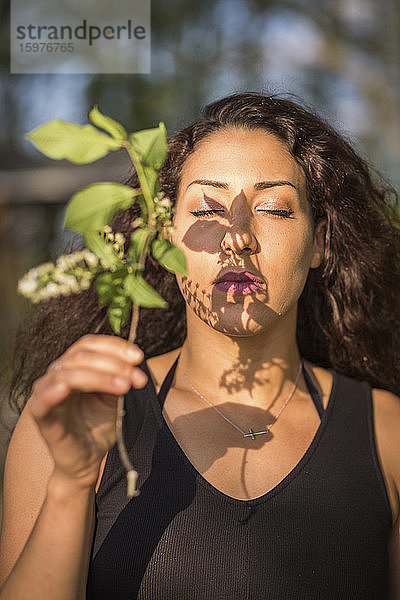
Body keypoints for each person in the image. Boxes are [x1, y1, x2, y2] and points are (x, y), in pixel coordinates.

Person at [0, 92, 399, 599]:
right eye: (207, 207)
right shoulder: (73, 416)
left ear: (319, 242)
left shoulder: (387, 434)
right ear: (165, 236)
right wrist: (72, 481)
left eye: (274, 208)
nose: (237, 236)